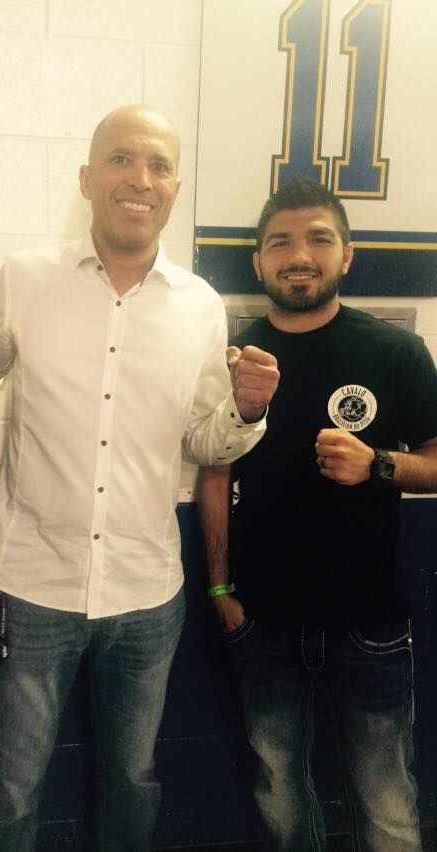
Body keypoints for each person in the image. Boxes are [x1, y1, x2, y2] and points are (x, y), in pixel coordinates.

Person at [0, 104, 279, 851]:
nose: (141, 178)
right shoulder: (28, 279)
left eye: (159, 164)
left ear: (176, 185)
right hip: (31, 584)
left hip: (145, 593)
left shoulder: (199, 307)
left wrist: (249, 412)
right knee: (10, 786)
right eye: (123, 160)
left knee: (132, 781)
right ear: (89, 179)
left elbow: (203, 436)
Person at [199, 175, 437, 852]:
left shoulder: (393, 351)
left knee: (387, 802)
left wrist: (380, 464)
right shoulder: (233, 357)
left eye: (318, 239)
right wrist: (220, 588)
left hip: (371, 622)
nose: (298, 254)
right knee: (279, 793)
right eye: (280, 242)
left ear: (347, 254)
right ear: (258, 262)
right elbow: (213, 471)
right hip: (263, 623)